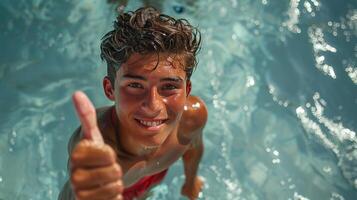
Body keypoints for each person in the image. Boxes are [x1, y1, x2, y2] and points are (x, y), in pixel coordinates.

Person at [58, 6, 207, 200]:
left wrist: (190, 181)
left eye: (169, 86)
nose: (153, 106)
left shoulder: (192, 118)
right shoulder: (100, 151)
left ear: (187, 90)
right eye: (135, 85)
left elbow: (193, 146)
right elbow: (76, 190)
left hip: (148, 183)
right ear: (109, 89)